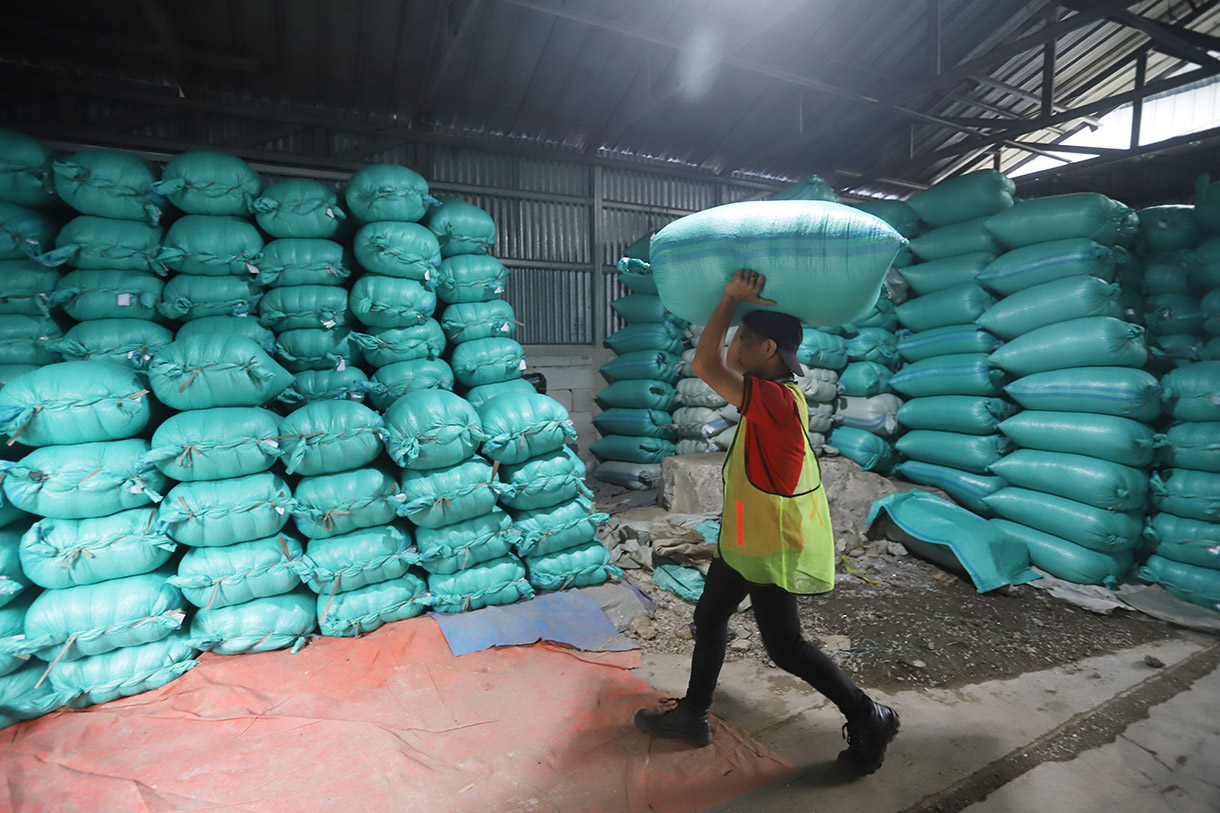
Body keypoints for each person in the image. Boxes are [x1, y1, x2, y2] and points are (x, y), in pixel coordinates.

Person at [633, 269, 899, 775]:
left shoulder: (776, 400)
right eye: (735, 335)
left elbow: (706, 363)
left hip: (769, 549)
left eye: (744, 339)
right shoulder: (768, 389)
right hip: (743, 543)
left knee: (786, 649)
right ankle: (693, 715)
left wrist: (730, 301)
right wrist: (736, 312)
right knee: (710, 619)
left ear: (770, 348)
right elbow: (721, 364)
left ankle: (871, 716)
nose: (735, 345)